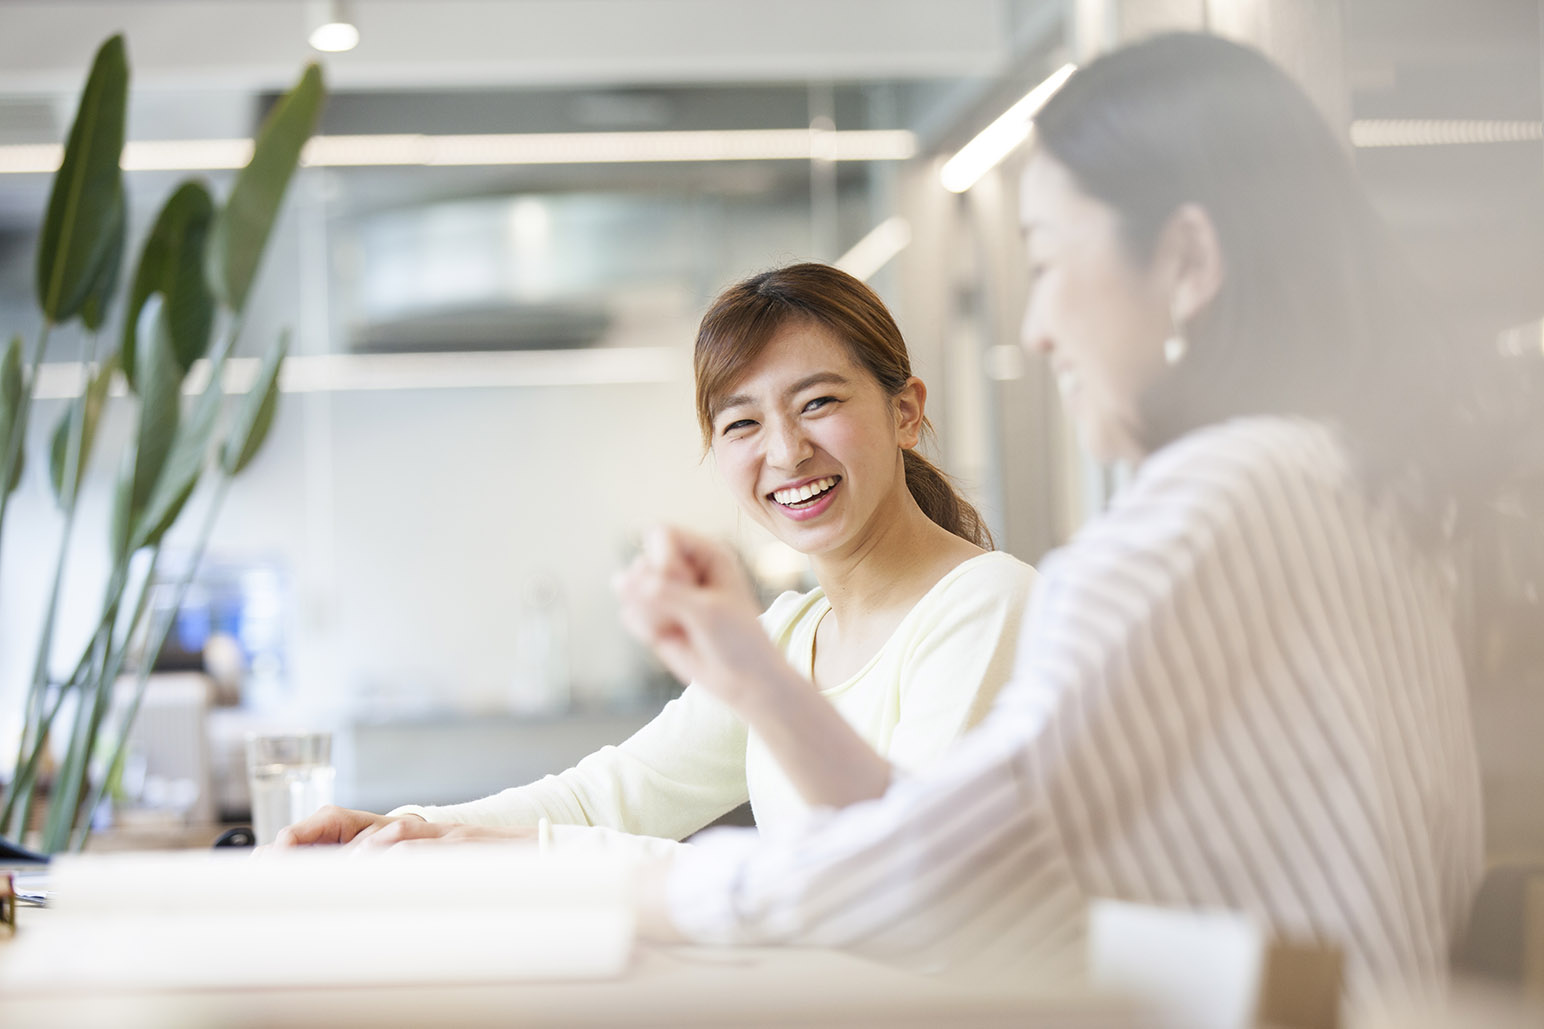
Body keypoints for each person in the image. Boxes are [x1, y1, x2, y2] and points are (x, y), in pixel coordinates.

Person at [613, 33, 1489, 1009]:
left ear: (1186, 261)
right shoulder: (1333, 476)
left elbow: (934, 883)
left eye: (1046, 260)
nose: (1035, 327)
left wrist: (645, 893)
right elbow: (962, 844)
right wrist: (755, 675)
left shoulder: (1209, 506)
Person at [277, 263, 1037, 855]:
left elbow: (902, 871)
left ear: (905, 411)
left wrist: (532, 856)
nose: (784, 451)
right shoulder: (784, 636)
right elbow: (612, 794)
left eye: (818, 403)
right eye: (741, 422)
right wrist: (407, 827)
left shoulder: (984, 603)